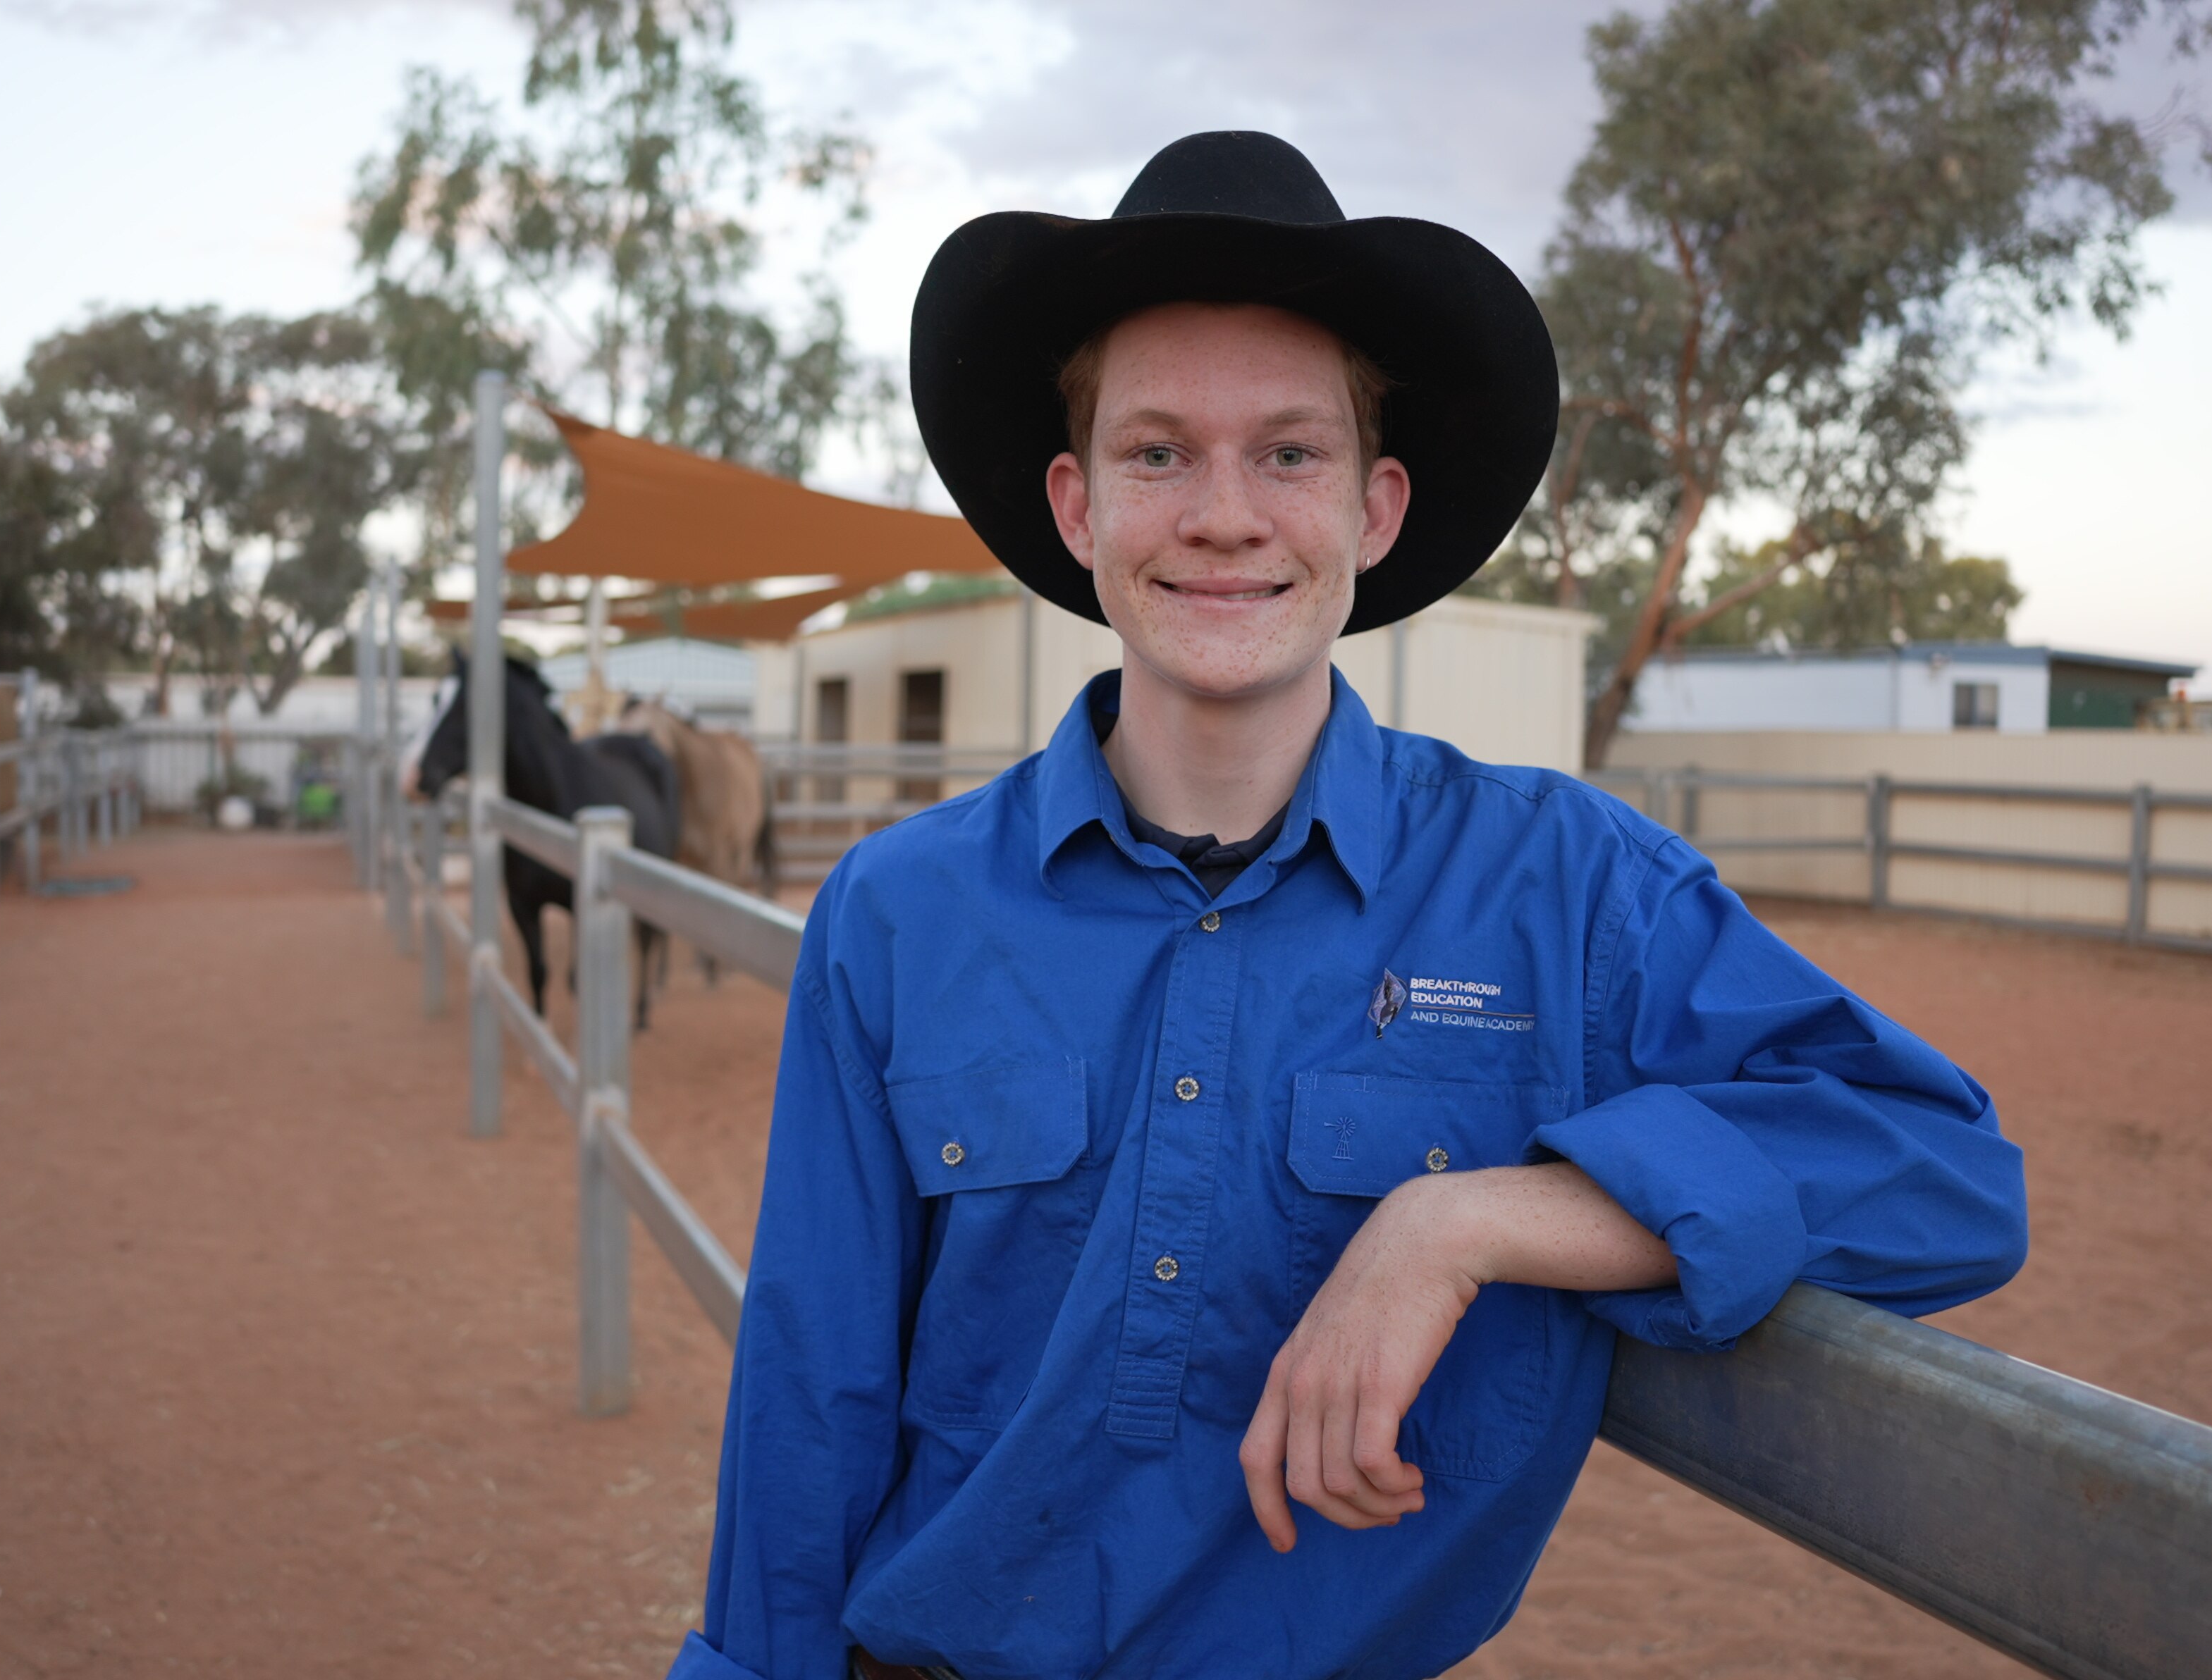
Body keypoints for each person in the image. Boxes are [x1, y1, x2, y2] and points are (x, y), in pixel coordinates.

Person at [668, 132, 2027, 1680]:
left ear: (1375, 510)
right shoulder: (897, 912)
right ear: (1075, 503)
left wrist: (1469, 1220)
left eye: (1289, 455)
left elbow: (1944, 1179)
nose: (1224, 513)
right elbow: (811, 1395)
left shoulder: (1561, 889)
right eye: (1156, 452)